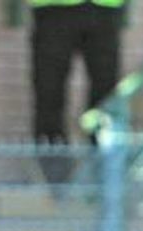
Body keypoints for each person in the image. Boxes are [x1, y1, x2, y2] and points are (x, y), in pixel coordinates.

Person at [30, 0, 125, 183]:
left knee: (106, 100)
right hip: (53, 9)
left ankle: (102, 171)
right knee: (48, 94)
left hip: (104, 9)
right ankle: (53, 176)